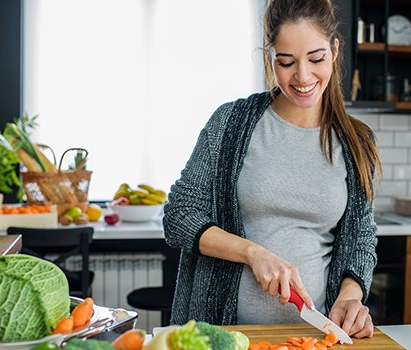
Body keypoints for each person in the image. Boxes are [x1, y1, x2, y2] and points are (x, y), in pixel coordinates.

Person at [162, 0, 381, 339]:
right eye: (286, 62)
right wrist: (252, 253)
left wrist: (351, 294)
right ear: (270, 56)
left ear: (335, 51)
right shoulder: (230, 123)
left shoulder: (356, 141)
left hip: (312, 338)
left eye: (316, 58)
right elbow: (179, 215)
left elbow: (361, 236)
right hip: (222, 334)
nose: (303, 76)